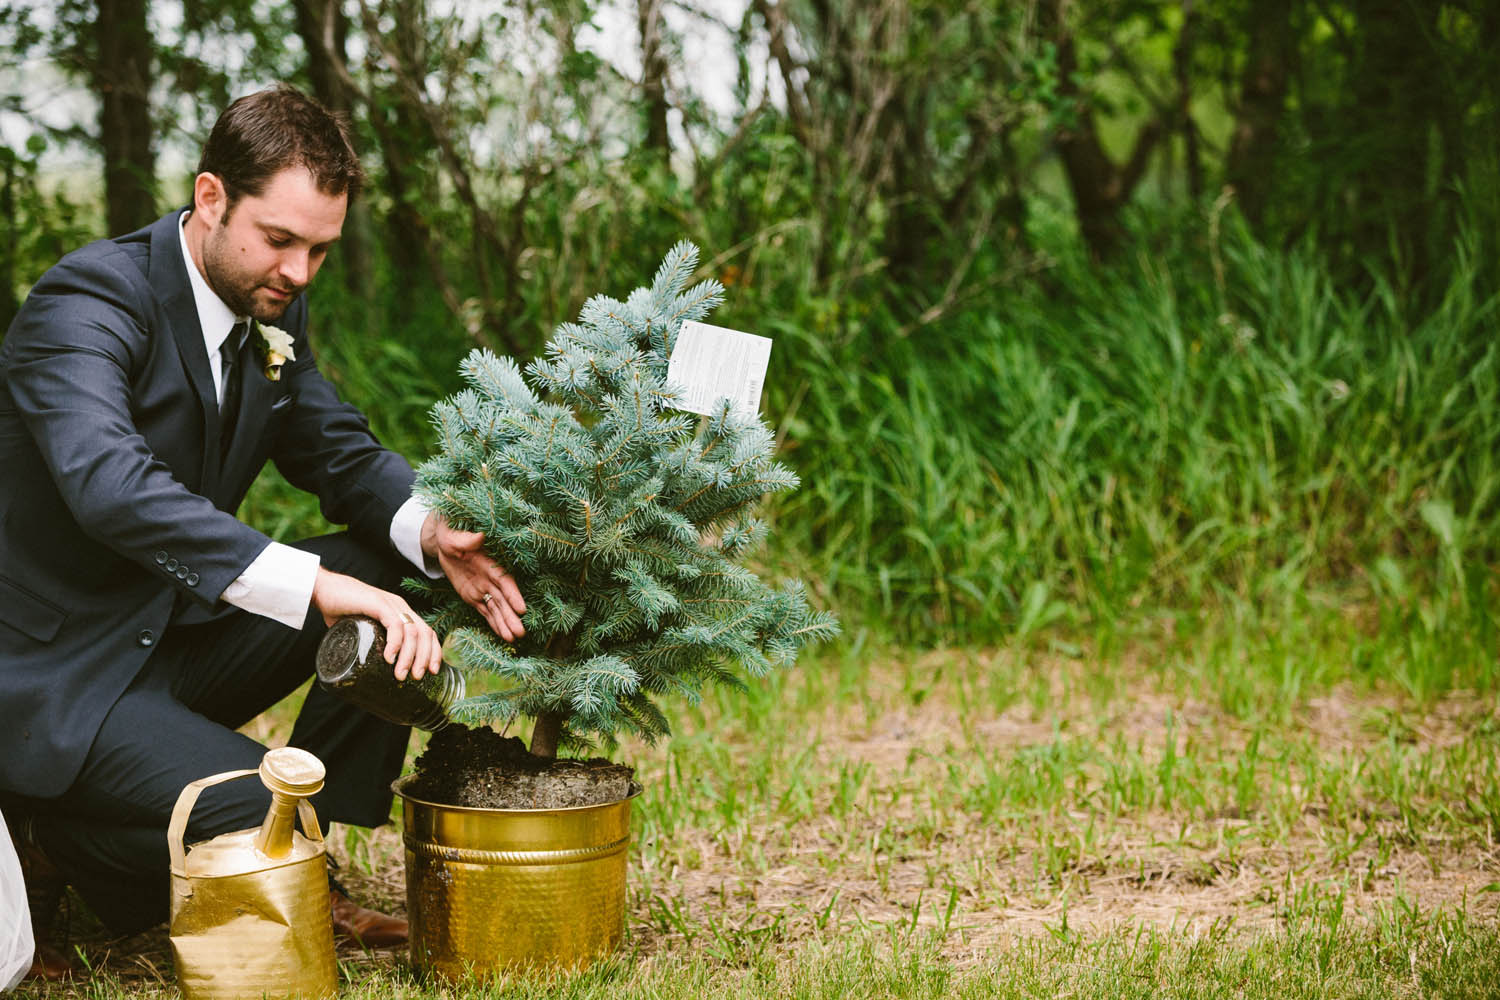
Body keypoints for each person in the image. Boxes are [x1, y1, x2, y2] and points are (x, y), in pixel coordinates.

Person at [0, 85, 526, 980]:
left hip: (166, 635)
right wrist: (313, 587)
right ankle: (60, 837)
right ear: (211, 198)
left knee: (384, 565)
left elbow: (336, 450)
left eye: (321, 247)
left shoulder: (270, 305)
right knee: (262, 801)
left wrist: (435, 532)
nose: (301, 271)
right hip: (55, 674)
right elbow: (109, 488)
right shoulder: (88, 302)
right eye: (279, 239)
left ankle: (305, 856)